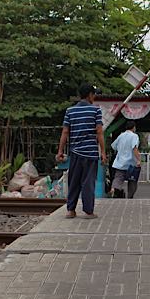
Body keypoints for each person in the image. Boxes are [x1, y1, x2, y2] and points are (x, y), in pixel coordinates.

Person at [56, 83, 106, 218]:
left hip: (75, 152)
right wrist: (103, 152)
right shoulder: (96, 110)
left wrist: (60, 151)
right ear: (90, 95)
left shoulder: (70, 111)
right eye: (94, 94)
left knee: (74, 181)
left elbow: (65, 132)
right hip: (90, 153)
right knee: (88, 182)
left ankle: (70, 210)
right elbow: (99, 132)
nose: (94, 97)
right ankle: (88, 211)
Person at [110, 120, 141, 198]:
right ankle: (130, 197)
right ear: (134, 128)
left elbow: (113, 146)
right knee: (132, 180)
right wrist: (138, 160)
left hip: (120, 162)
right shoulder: (134, 136)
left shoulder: (121, 135)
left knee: (118, 178)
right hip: (131, 163)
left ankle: (114, 189)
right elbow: (134, 148)